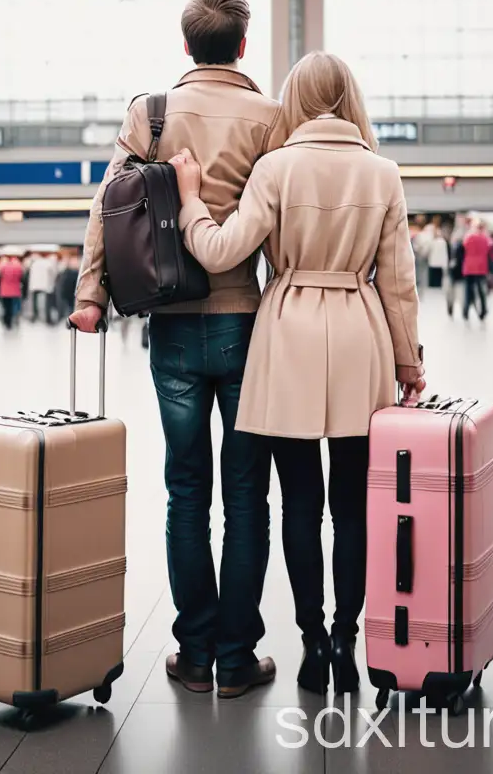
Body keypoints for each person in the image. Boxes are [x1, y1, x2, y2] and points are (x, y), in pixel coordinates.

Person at [168, 51, 425, 697]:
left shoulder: (275, 167)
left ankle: (310, 643)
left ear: (296, 99)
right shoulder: (383, 171)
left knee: (300, 505)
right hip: (360, 333)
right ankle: (346, 639)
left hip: (287, 335)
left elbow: (224, 249)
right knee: (354, 506)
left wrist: (193, 200)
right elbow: (398, 282)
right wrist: (409, 362)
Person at [70, 0, 285, 700]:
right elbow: (280, 224)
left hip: (172, 324)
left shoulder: (150, 113)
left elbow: (109, 208)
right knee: (247, 492)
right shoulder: (270, 116)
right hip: (246, 322)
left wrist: (91, 298)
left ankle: (192, 651)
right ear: (243, 46)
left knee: (185, 488)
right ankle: (236, 655)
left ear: (187, 45)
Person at [461, 219, 493, 320]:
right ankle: (483, 310)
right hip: (481, 267)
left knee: (468, 290)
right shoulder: (486, 239)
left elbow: (463, 249)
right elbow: (491, 252)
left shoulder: (468, 237)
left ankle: (465, 311)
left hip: (469, 267)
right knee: (481, 290)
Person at [29, 252, 58, 324]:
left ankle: (34, 316)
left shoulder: (34, 263)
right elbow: (54, 273)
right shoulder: (49, 263)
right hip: (46, 284)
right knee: (48, 302)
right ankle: (48, 319)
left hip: (35, 285)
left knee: (34, 302)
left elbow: (31, 275)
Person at [0, 253, 24, 329]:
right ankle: (12, 321)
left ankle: (6, 321)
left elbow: (0, 275)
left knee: (6, 307)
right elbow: (20, 277)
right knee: (14, 307)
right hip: (15, 290)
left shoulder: (3, 266)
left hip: (4, 290)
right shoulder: (18, 266)